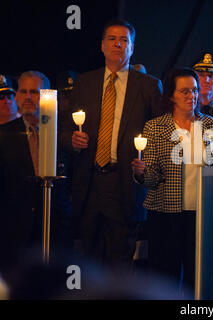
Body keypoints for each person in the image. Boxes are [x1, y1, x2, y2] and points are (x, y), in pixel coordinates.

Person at [69, 19, 162, 270]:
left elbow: (158, 134)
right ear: (102, 46)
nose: (118, 44)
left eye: (124, 40)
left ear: (131, 48)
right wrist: (72, 140)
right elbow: (66, 128)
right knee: (87, 261)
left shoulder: (149, 86)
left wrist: (146, 165)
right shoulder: (84, 82)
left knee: (119, 265)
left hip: (124, 184)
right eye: (112, 39)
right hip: (88, 183)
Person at [131, 68, 213, 296]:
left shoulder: (212, 126)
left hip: (202, 216)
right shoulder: (155, 127)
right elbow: (151, 179)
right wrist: (141, 173)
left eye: (194, 90)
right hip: (165, 214)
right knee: (164, 279)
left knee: (199, 278)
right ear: (171, 95)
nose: (191, 95)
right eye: (184, 91)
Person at [0, 71, 71, 270]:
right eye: (23, 91)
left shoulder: (62, 135)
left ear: (47, 96)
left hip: (55, 229)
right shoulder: (4, 135)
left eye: (34, 91)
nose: (28, 97)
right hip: (16, 233)